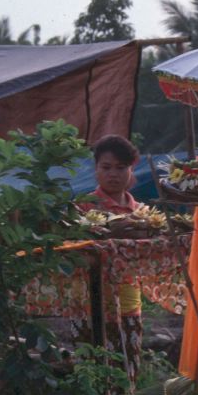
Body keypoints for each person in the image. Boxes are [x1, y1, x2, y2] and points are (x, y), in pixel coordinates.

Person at [78, 134, 144, 379]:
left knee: (128, 373)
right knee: (92, 375)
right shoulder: (83, 208)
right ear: (96, 169)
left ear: (131, 169)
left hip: (129, 304)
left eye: (120, 167)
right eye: (106, 167)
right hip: (89, 304)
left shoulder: (141, 213)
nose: (113, 174)